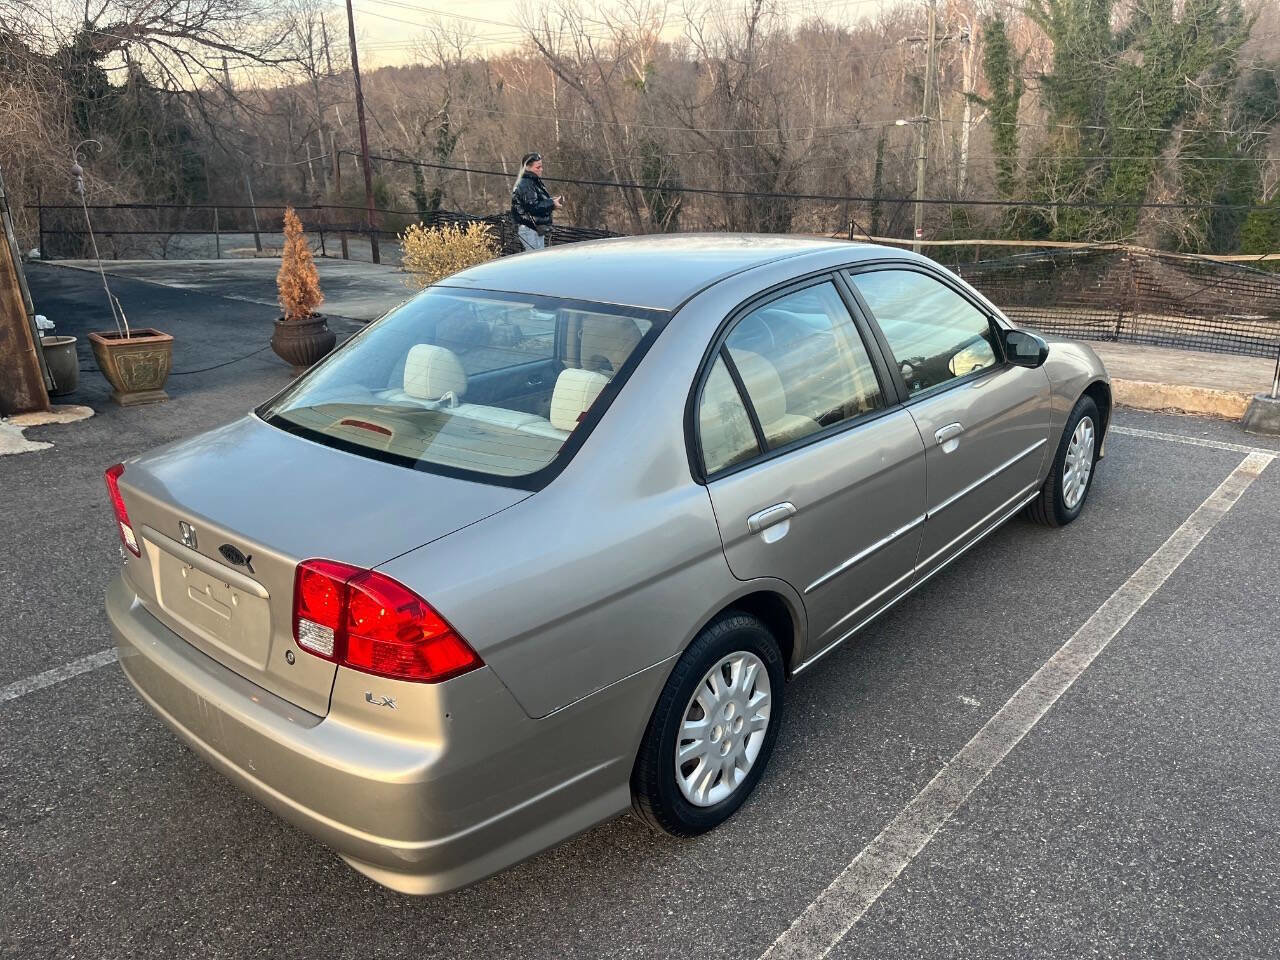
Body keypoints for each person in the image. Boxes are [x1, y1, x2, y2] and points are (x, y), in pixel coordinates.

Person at [511, 152, 563, 251]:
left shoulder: (532, 181)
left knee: (537, 260)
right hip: (529, 228)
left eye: (541, 167)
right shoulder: (526, 183)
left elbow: (533, 203)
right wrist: (551, 203)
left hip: (534, 228)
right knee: (535, 261)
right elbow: (532, 206)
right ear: (527, 167)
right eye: (538, 167)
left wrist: (551, 202)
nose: (541, 170)